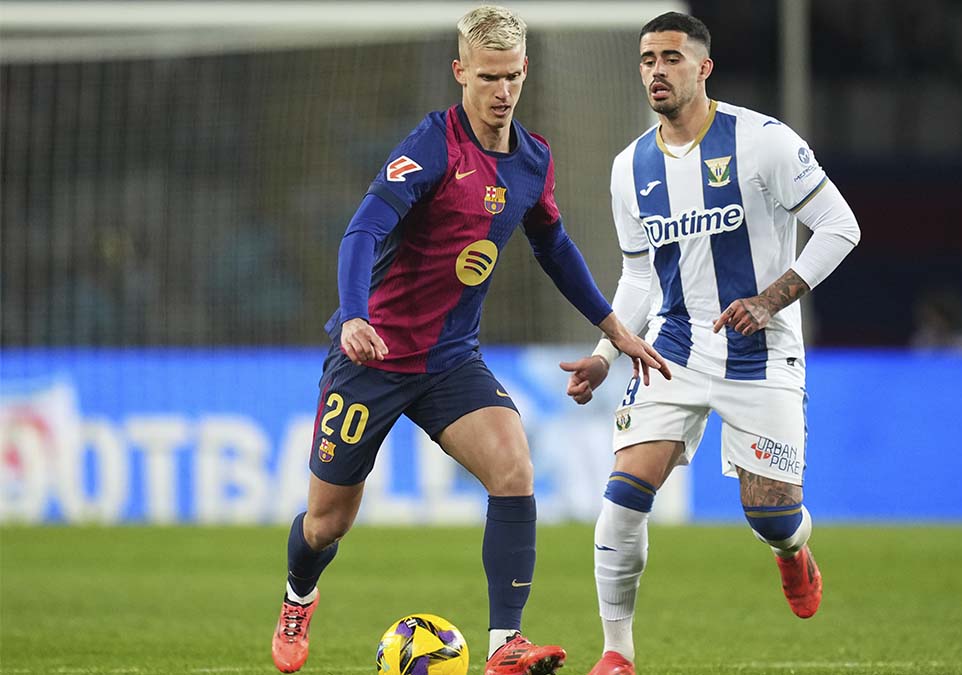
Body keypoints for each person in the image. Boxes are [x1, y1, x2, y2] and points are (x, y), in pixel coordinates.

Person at [270, 6, 670, 674]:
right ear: (461, 73)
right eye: (489, 76)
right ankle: (297, 594)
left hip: (452, 359)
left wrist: (612, 327)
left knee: (514, 467)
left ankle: (504, 644)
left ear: (525, 72)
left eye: (513, 75)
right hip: (372, 357)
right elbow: (363, 230)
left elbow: (555, 246)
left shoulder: (532, 159)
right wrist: (353, 314)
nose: (503, 91)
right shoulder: (433, 146)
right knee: (326, 522)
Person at [558, 12, 860, 675]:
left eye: (671, 57)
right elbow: (639, 275)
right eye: (646, 59)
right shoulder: (629, 167)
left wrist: (769, 298)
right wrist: (608, 353)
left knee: (770, 517)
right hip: (674, 351)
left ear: (703, 67)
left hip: (762, 352)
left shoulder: (764, 143)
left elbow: (841, 226)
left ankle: (792, 551)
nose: (657, 70)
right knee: (622, 500)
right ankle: (616, 652)